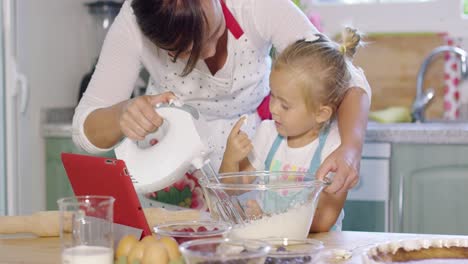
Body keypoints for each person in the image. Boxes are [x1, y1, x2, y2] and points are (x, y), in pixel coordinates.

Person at [72, 0, 371, 210]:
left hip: (247, 159)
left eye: (215, 32)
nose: (213, 50)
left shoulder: (256, 5)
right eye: (185, 51)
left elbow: (344, 76)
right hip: (171, 165)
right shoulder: (132, 25)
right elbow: (84, 129)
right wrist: (121, 115)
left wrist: (351, 148)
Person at [220, 27, 363, 232]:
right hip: (272, 245)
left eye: (285, 105)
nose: (273, 109)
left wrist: (269, 221)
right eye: (273, 96)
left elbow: (324, 221)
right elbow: (234, 187)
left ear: (321, 114)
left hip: (318, 249)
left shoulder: (334, 149)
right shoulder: (268, 133)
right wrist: (230, 158)